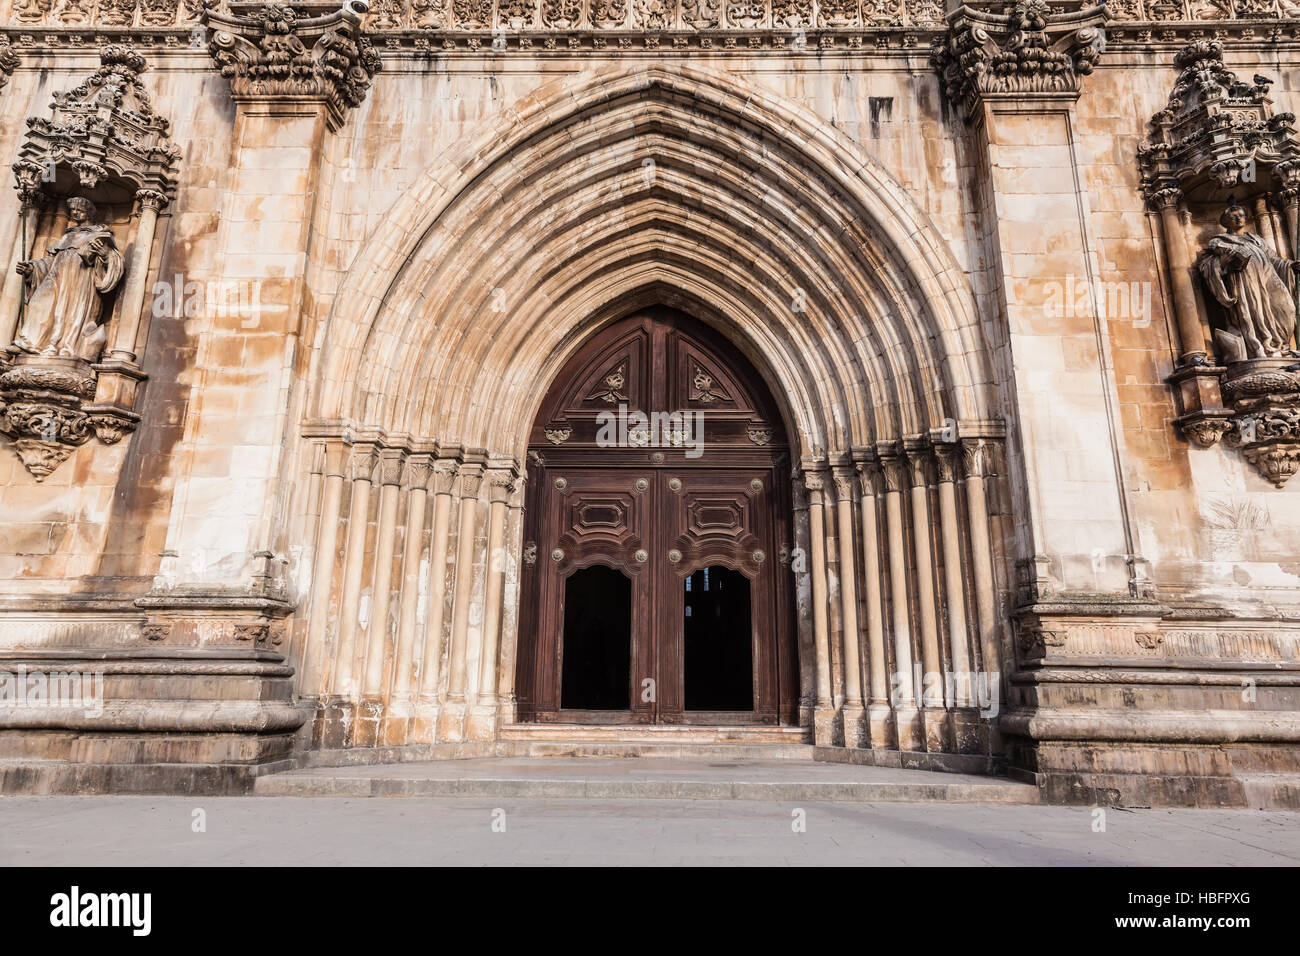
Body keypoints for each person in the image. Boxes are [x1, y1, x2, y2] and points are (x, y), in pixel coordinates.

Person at [12, 196, 124, 362]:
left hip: (81, 279)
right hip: (57, 276)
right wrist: (32, 268)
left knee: (73, 314)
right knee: (40, 303)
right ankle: (31, 341)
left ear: (89, 213)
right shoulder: (67, 235)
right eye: (72, 211)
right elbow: (50, 260)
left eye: (79, 210)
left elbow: (115, 260)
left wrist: (105, 254)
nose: (75, 213)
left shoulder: (100, 233)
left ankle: (66, 347)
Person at [1197, 196, 1300, 361]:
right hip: (1245, 282)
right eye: (1234, 216)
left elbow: (1273, 259)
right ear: (1226, 221)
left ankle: (1282, 346)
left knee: (1286, 309)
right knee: (1254, 314)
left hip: (1267, 279)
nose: (1239, 218)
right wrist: (1228, 262)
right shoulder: (1220, 241)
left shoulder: (1256, 239)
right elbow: (1212, 265)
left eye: (1241, 215)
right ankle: (1259, 348)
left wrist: (1289, 266)